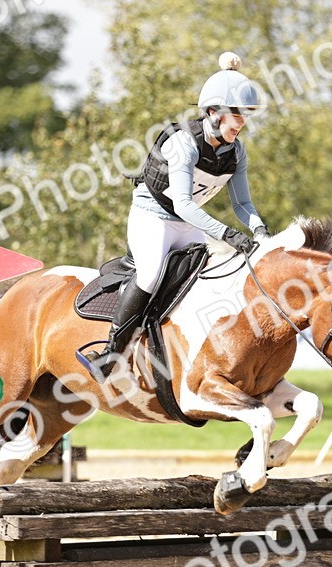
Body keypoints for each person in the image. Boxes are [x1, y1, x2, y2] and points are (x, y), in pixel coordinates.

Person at [80, 51, 270, 382]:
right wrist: (228, 235)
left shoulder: (236, 152)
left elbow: (242, 204)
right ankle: (111, 354)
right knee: (151, 274)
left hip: (186, 225)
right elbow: (182, 203)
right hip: (152, 216)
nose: (242, 122)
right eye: (236, 114)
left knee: (211, 277)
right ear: (213, 113)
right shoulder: (185, 144)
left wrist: (260, 231)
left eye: (244, 115)